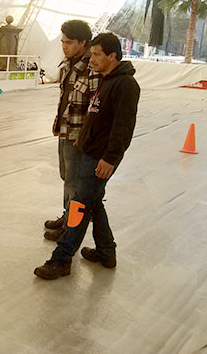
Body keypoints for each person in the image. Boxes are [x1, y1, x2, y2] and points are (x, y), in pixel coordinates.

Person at [34, 33, 140, 280]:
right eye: (91, 54)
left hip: (101, 157)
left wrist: (110, 159)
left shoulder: (125, 85)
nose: (91, 59)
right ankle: (106, 251)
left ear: (112, 55)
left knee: (79, 205)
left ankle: (61, 258)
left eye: (96, 54)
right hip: (88, 151)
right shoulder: (106, 79)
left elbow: (123, 128)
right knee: (93, 202)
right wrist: (82, 141)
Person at [44, 20, 100, 242]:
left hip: (80, 137)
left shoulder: (92, 69)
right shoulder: (68, 65)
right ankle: (68, 215)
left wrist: (86, 137)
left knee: (74, 183)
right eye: (62, 42)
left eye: (68, 42)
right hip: (66, 131)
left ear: (83, 42)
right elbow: (66, 98)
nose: (64, 46)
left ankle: (71, 228)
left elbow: (95, 107)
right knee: (66, 176)